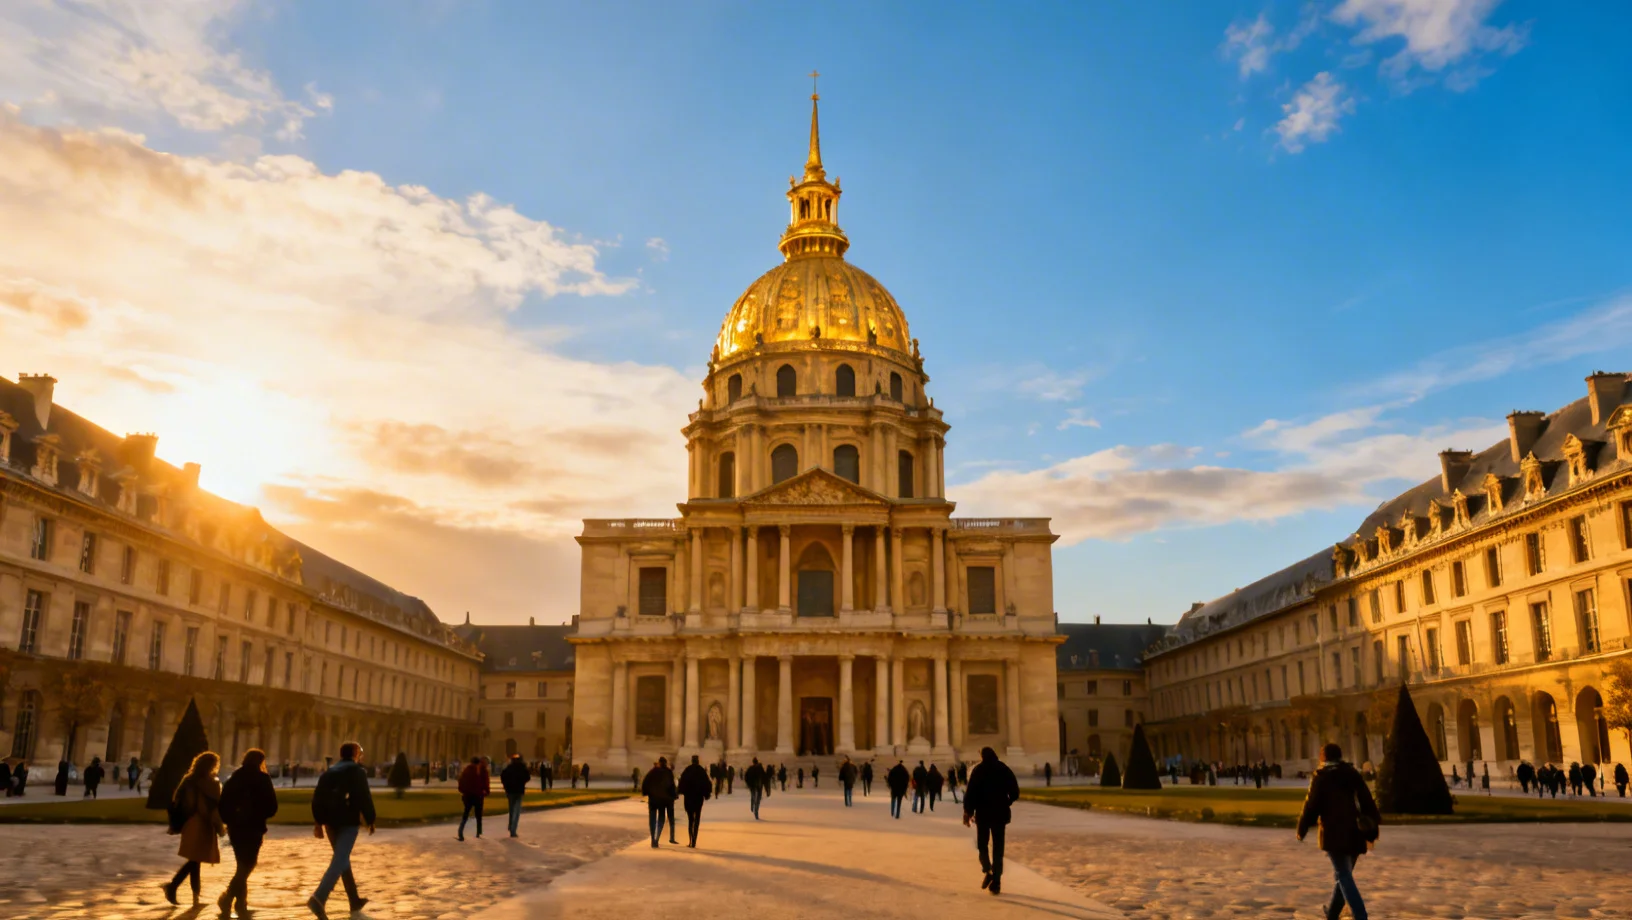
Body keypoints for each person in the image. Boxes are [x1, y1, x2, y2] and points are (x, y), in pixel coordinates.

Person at [1296, 743, 1379, 920]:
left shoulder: (1321, 777)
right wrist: (1373, 826)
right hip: (1356, 832)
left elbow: (1311, 806)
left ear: (1323, 758)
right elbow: (1367, 801)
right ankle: (1333, 913)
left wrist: (1302, 828)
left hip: (1333, 833)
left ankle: (1360, 915)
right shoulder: (1352, 774)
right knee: (1343, 875)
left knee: (1344, 876)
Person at [306, 741, 376, 920]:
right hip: (348, 821)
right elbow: (364, 797)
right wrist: (371, 819)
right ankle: (319, 897)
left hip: (330, 821)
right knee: (340, 859)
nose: (361, 755)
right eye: (360, 752)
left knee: (342, 858)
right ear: (354, 753)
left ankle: (354, 900)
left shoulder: (329, 772)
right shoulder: (357, 772)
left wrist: (318, 822)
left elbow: (317, 798)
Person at [217, 748, 278, 917]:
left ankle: (240, 902)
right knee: (247, 865)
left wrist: (230, 819)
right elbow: (272, 806)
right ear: (260, 762)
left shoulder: (235, 777)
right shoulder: (262, 778)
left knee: (242, 864)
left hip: (236, 828)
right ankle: (228, 897)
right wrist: (260, 814)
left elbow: (223, 804)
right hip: (254, 827)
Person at [164, 751, 224, 907]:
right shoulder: (211, 783)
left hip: (190, 822)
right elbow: (212, 808)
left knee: (195, 860)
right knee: (195, 859)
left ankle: (195, 895)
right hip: (203, 822)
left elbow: (179, 801)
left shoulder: (189, 780)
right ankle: (173, 886)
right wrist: (219, 826)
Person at [962, 746, 1020, 896]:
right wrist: (1008, 801)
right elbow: (1015, 791)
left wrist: (968, 811)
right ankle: (997, 881)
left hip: (983, 814)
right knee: (998, 848)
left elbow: (971, 793)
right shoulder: (1003, 769)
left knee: (982, 845)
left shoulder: (978, 770)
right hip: (1000, 814)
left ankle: (987, 869)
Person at [677, 755, 711, 847]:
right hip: (698, 799)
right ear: (698, 761)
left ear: (692, 761)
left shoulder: (687, 770)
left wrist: (680, 792)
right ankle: (694, 840)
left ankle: (690, 840)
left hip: (688, 798)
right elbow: (707, 783)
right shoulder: (701, 771)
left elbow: (682, 782)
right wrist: (706, 794)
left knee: (690, 820)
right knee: (697, 820)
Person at [642, 756, 676, 847]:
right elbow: (671, 786)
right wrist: (673, 796)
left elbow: (645, 782)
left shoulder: (653, 771)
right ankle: (657, 838)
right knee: (661, 819)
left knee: (652, 819)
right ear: (665, 763)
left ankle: (653, 838)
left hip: (653, 799)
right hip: (663, 800)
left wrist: (646, 793)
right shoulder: (668, 772)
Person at [456, 755, 490, 841]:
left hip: (468, 795)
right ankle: (479, 832)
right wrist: (486, 791)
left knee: (466, 813)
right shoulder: (481, 771)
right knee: (478, 814)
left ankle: (461, 830)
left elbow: (461, 782)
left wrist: (463, 791)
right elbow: (485, 783)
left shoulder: (466, 770)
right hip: (478, 795)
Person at [500, 753, 531, 838]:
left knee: (511, 809)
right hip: (519, 791)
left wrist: (505, 786)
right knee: (516, 811)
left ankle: (511, 826)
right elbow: (528, 777)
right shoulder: (522, 768)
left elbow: (503, 776)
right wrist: (522, 782)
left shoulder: (508, 768)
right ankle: (513, 829)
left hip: (510, 791)